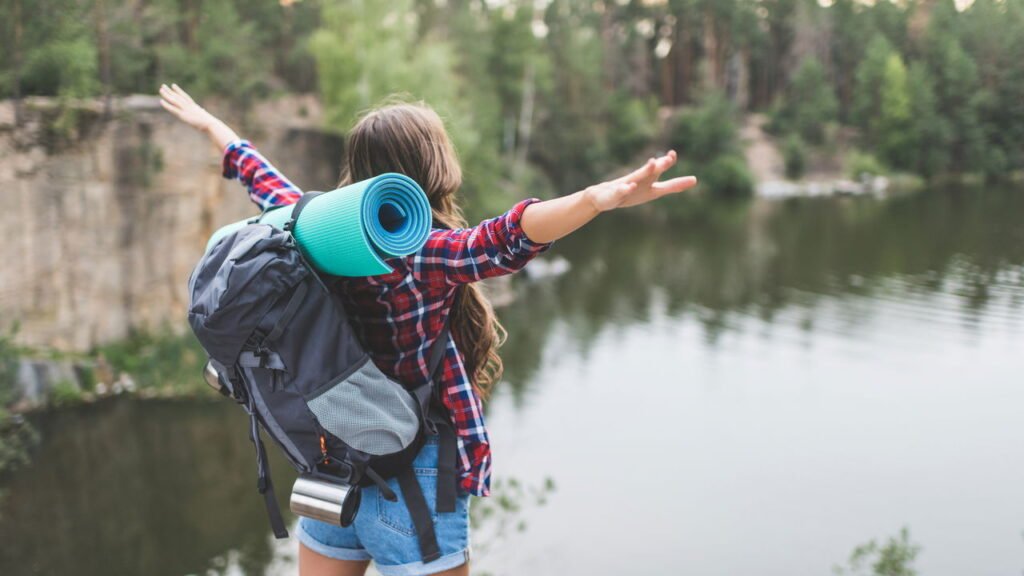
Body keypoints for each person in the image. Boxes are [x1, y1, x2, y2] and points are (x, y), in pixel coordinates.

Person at [159, 83, 697, 576]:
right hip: (412, 473)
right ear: (434, 164)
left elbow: (263, 178)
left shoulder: (311, 229)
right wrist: (593, 201)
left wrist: (213, 126)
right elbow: (504, 236)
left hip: (332, 463)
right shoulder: (422, 252)